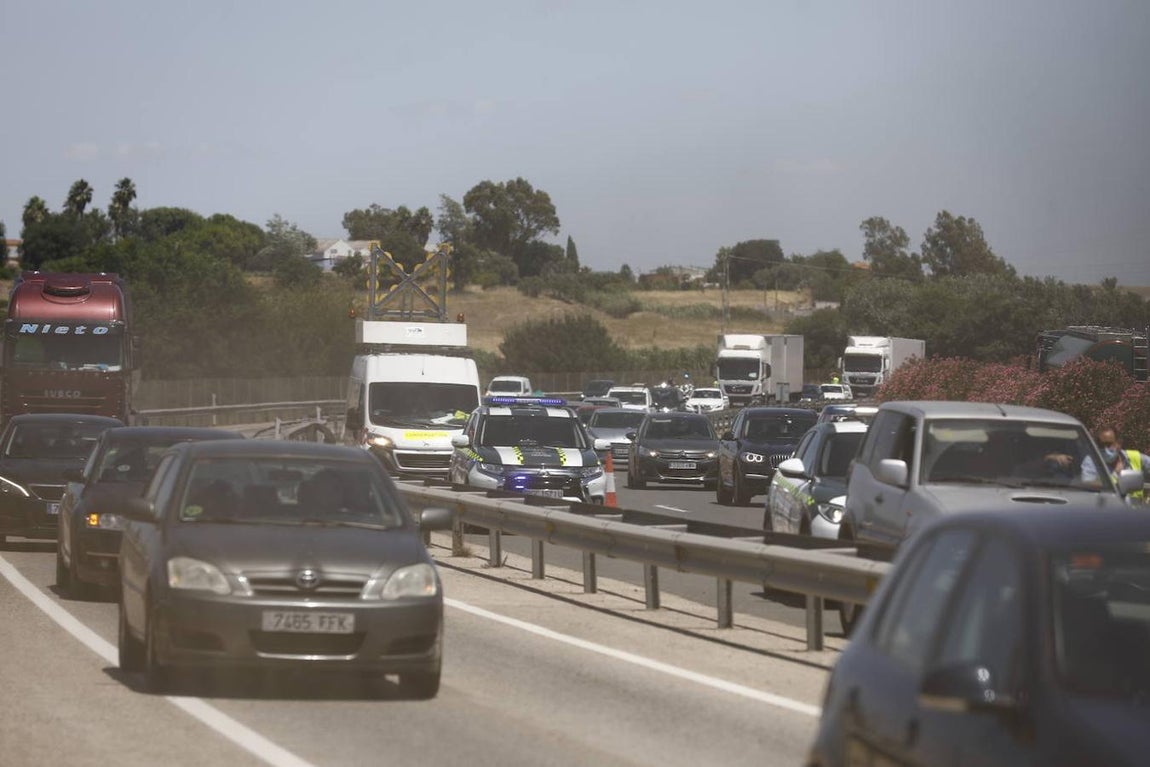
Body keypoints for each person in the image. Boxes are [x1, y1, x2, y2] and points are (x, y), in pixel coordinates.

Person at [1095, 426, 1150, 504]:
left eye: (1109, 444)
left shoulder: (1135, 457)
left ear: (1119, 443)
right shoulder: (1093, 464)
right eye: (1101, 445)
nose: (1105, 449)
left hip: (1134, 512)